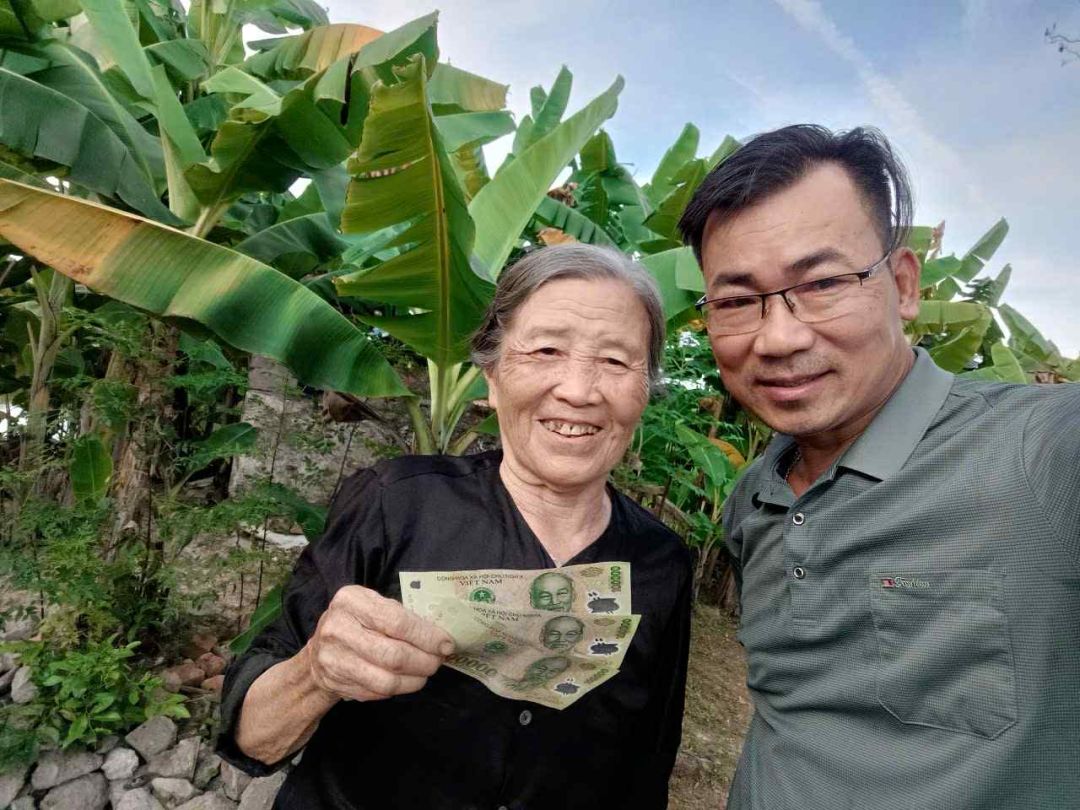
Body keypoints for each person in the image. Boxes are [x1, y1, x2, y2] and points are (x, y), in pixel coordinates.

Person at [678, 124, 1080, 809]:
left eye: (823, 283)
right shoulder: (753, 500)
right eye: (738, 301)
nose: (778, 338)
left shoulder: (1043, 450)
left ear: (903, 284)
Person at [216, 244, 693, 809]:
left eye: (615, 361)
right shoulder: (396, 504)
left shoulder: (661, 562)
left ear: (645, 391)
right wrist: (316, 673)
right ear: (491, 375)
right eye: (546, 350)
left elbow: (648, 761)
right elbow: (252, 736)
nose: (579, 390)